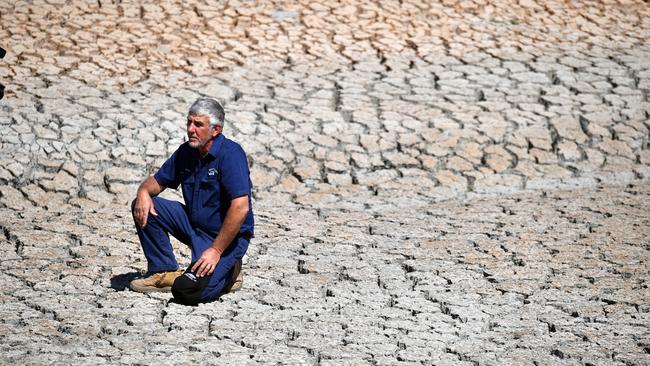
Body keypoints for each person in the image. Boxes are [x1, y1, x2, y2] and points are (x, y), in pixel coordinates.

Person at [129, 97, 254, 305]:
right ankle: (164, 270)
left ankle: (230, 271)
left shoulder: (231, 155)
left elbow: (240, 208)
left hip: (224, 239)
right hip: (194, 226)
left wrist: (215, 251)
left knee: (187, 291)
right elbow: (157, 181)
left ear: (215, 130)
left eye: (198, 124)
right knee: (142, 204)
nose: (190, 129)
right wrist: (143, 191)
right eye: (189, 122)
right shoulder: (186, 152)